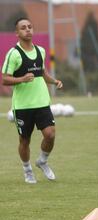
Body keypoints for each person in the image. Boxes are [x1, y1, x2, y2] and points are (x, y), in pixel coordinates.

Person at [1, 17, 63, 184]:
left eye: (30, 26)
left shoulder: (41, 51)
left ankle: (42, 161)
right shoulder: (13, 54)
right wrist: (21, 79)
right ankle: (27, 170)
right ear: (17, 33)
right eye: (23, 28)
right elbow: (5, 79)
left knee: (50, 134)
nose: (27, 29)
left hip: (42, 102)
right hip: (23, 105)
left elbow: (42, 73)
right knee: (24, 140)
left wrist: (54, 81)